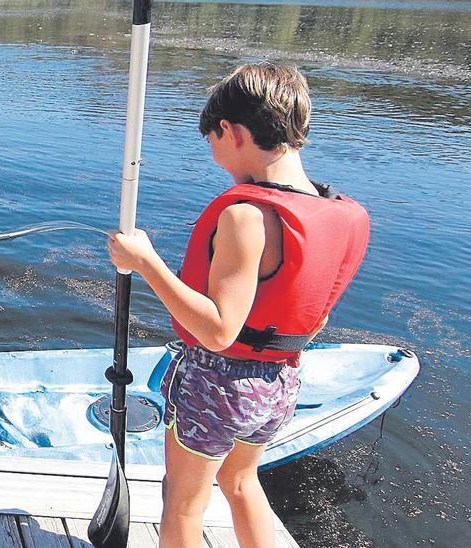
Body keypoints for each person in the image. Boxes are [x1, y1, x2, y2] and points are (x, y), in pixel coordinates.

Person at [107, 63, 370, 548]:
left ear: (231, 130)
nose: (214, 155)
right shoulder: (340, 213)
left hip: (218, 384)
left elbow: (219, 331)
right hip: (281, 382)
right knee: (242, 483)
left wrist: (145, 262)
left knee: (183, 504)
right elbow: (320, 316)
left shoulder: (245, 217)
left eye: (212, 141)